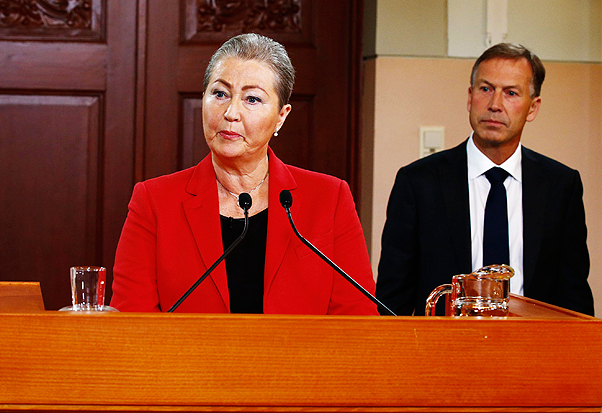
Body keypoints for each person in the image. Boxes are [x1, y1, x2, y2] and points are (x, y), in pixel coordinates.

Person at [111, 33, 377, 315]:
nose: (231, 112)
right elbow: (131, 322)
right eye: (220, 94)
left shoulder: (329, 198)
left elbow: (357, 320)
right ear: (203, 99)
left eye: (252, 99)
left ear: (281, 115)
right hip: (186, 359)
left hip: (302, 359)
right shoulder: (153, 202)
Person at [376, 43, 594, 316]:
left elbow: (574, 299)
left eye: (511, 93)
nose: (495, 105)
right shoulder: (418, 182)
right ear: (470, 97)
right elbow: (391, 300)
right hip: (443, 350)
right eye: (486, 89)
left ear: (532, 108)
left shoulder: (561, 186)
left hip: (532, 350)